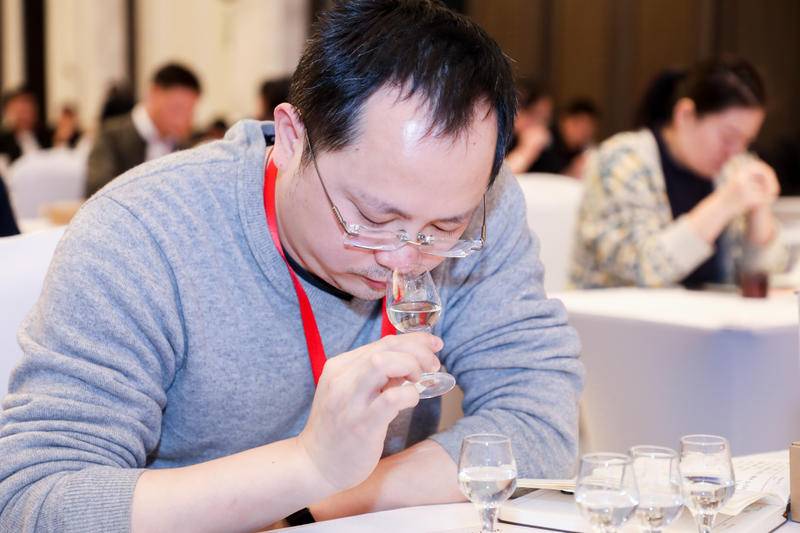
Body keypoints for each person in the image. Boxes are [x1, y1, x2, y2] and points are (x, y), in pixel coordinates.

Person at [0, 1, 583, 531]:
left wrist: (320, 501)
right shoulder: (146, 233)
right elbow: (35, 503)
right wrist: (307, 466)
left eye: (444, 230)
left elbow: (540, 422)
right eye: (372, 217)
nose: (404, 260)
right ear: (292, 138)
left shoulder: (476, 201)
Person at [571, 57, 786, 289]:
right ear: (685, 115)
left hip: (705, 312)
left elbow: (763, 279)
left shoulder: (731, 171)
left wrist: (759, 210)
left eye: (746, 141)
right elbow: (643, 270)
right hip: (611, 311)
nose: (735, 151)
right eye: (728, 137)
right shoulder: (622, 160)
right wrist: (724, 204)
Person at [85, 63, 201, 197]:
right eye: (177, 109)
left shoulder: (183, 145)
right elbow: (98, 191)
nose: (184, 120)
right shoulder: (111, 136)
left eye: (190, 112)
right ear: (154, 93)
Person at [530, 98, 599, 178]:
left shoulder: (584, 150)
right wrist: (571, 172)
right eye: (577, 124)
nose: (582, 132)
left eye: (587, 128)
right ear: (564, 120)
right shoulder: (545, 143)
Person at [504, 79, 553, 174]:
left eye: (545, 119)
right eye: (536, 114)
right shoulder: (499, 138)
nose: (541, 125)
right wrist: (527, 150)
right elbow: (499, 179)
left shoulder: (545, 145)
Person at [0, 86, 53, 166]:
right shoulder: (3, 143)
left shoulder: (48, 136)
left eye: (28, 110)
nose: (25, 117)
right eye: (20, 111)